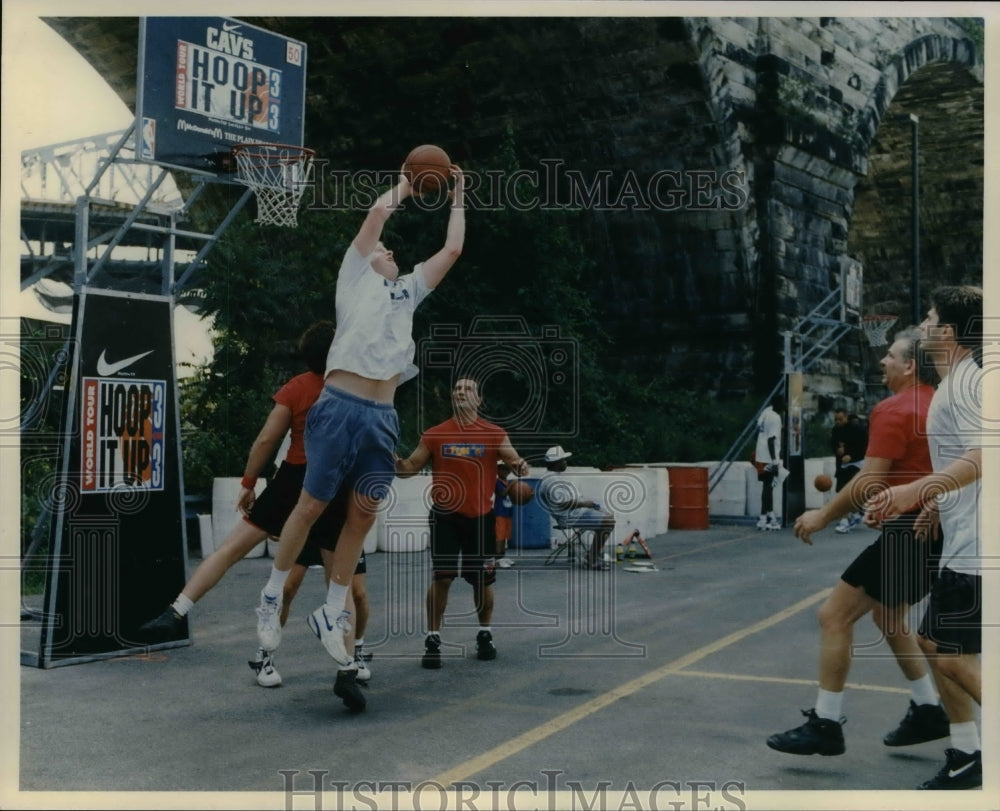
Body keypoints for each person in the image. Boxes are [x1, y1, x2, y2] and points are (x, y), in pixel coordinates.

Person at [254, 164, 467, 672]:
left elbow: (453, 250)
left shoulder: (409, 290)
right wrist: (408, 185)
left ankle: (332, 612)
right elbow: (378, 213)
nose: (389, 251)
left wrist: (458, 194)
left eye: (391, 250)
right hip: (339, 406)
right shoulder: (353, 279)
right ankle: (269, 596)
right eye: (382, 249)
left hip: (381, 416)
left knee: (363, 516)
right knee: (310, 507)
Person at [138, 322, 369, 708]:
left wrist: (248, 482)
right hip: (335, 484)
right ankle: (346, 669)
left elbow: (267, 438)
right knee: (338, 586)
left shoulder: (296, 388)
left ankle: (177, 610)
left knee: (229, 550)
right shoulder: (355, 390)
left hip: (293, 480)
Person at [768, 328, 950, 758]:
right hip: (936, 531)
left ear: (909, 365)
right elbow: (914, 472)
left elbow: (868, 480)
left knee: (833, 616)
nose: (882, 362)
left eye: (890, 355)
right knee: (889, 617)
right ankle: (928, 709)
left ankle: (827, 723)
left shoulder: (894, 409)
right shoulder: (941, 405)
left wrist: (822, 515)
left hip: (911, 533)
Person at [865, 286, 983, 790]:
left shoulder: (969, 383)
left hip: (979, 547)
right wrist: (938, 498)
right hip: (964, 534)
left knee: (951, 654)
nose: (925, 321)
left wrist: (914, 488)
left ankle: (970, 752)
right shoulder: (958, 381)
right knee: (937, 644)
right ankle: (967, 752)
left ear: (949, 332)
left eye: (932, 316)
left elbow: (986, 454)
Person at [395, 378, 529, 669]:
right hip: (445, 517)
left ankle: (485, 634)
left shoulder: (494, 433)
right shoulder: (434, 434)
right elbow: (408, 468)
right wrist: (391, 459)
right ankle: (433, 638)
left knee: (482, 579)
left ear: (479, 400)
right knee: (442, 577)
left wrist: (520, 466)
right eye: (456, 388)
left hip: (481, 518)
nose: (460, 392)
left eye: (467, 389)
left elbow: (514, 459)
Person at [536, 445, 616, 570]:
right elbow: (560, 504)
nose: (565, 462)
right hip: (570, 517)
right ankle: (592, 559)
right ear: (556, 463)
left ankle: (593, 554)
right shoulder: (551, 480)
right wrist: (584, 504)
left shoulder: (554, 476)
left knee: (608, 517)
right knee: (608, 522)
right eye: (563, 460)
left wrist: (587, 505)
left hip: (575, 513)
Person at [830, 408, 867, 533]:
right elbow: (832, 444)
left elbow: (864, 447)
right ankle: (857, 513)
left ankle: (845, 521)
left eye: (840, 419)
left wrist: (851, 456)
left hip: (857, 463)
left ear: (846, 417)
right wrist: (837, 450)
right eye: (835, 419)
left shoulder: (857, 429)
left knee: (847, 491)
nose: (838, 422)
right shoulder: (835, 430)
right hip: (842, 465)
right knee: (842, 491)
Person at [754, 395, 784, 530]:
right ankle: (768, 518)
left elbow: (758, 428)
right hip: (768, 457)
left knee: (767, 486)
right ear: (780, 405)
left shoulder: (766, 412)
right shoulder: (776, 418)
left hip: (760, 455)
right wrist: (774, 461)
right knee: (768, 487)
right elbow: (771, 440)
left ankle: (764, 518)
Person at [494, 462, 515, 569]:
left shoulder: (508, 482)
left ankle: (502, 556)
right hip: (500, 512)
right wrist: (511, 486)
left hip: (508, 512)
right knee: (500, 537)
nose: (505, 471)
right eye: (502, 469)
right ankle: (498, 559)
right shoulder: (497, 482)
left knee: (506, 536)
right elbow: (502, 494)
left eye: (507, 469)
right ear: (497, 470)